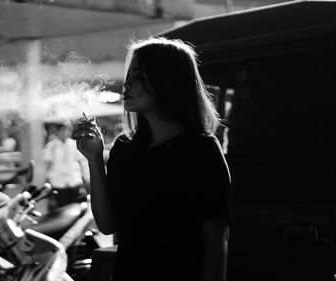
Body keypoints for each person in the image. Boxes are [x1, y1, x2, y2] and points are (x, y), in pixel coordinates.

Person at [73, 37, 232, 281]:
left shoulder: (201, 150)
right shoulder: (125, 148)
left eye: (137, 75)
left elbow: (216, 241)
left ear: (166, 80)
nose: (127, 84)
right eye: (129, 75)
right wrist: (94, 160)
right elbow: (107, 224)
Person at [43, 122, 89, 211]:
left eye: (68, 130)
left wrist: (85, 176)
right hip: (58, 181)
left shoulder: (74, 144)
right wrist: (46, 178)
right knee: (62, 208)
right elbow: (48, 164)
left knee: (77, 207)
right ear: (58, 131)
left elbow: (80, 161)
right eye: (63, 130)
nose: (66, 132)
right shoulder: (51, 146)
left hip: (74, 180)